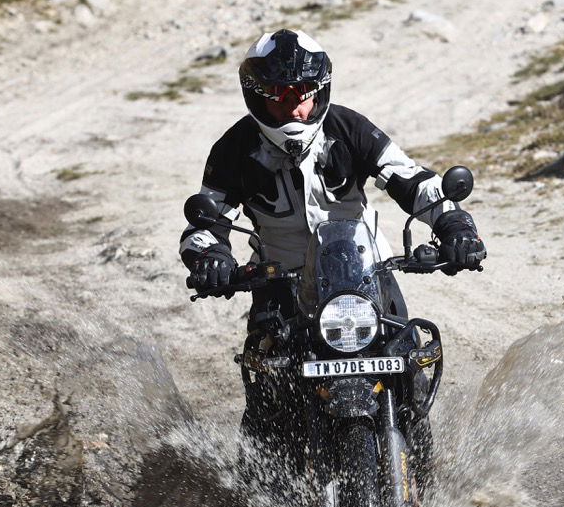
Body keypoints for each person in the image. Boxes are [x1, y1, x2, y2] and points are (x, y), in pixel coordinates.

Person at [179, 28, 485, 456]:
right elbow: (205, 221)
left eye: (303, 94)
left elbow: (412, 181)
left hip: (364, 276)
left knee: (409, 369)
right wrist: (210, 259)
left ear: (320, 90)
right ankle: (261, 504)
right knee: (267, 400)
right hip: (279, 285)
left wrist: (456, 227)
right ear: (256, 97)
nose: (294, 107)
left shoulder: (348, 128)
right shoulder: (233, 150)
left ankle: (421, 482)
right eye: (279, 96)